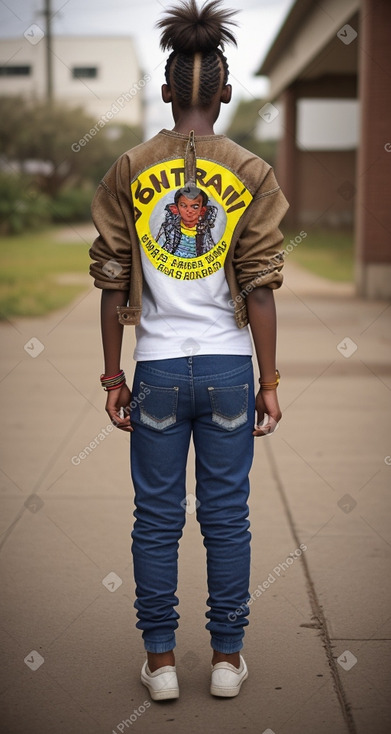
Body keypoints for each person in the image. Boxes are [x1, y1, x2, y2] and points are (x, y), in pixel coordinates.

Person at [89, 0, 288, 702]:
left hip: (161, 369)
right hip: (231, 367)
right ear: (224, 92)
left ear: (169, 91)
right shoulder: (252, 172)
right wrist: (267, 380)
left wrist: (115, 374)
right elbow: (260, 287)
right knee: (227, 516)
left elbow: (112, 279)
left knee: (157, 518)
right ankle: (228, 661)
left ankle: (163, 662)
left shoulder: (130, 167)